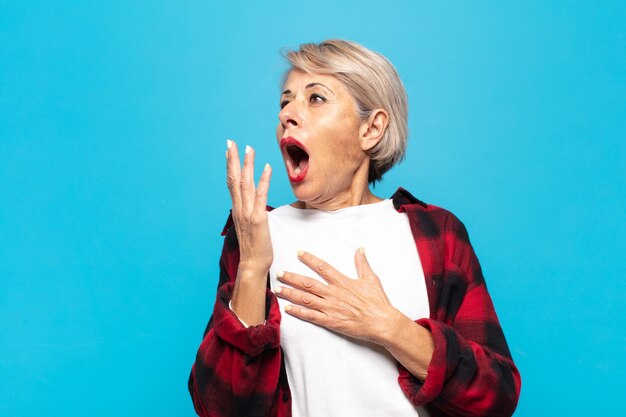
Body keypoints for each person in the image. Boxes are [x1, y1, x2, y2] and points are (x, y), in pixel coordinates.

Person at [188, 39, 521, 417]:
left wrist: (389, 328)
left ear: (371, 129)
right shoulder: (256, 234)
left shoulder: (437, 234)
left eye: (315, 99)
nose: (287, 115)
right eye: (285, 102)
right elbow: (219, 407)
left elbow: (495, 397)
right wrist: (251, 268)